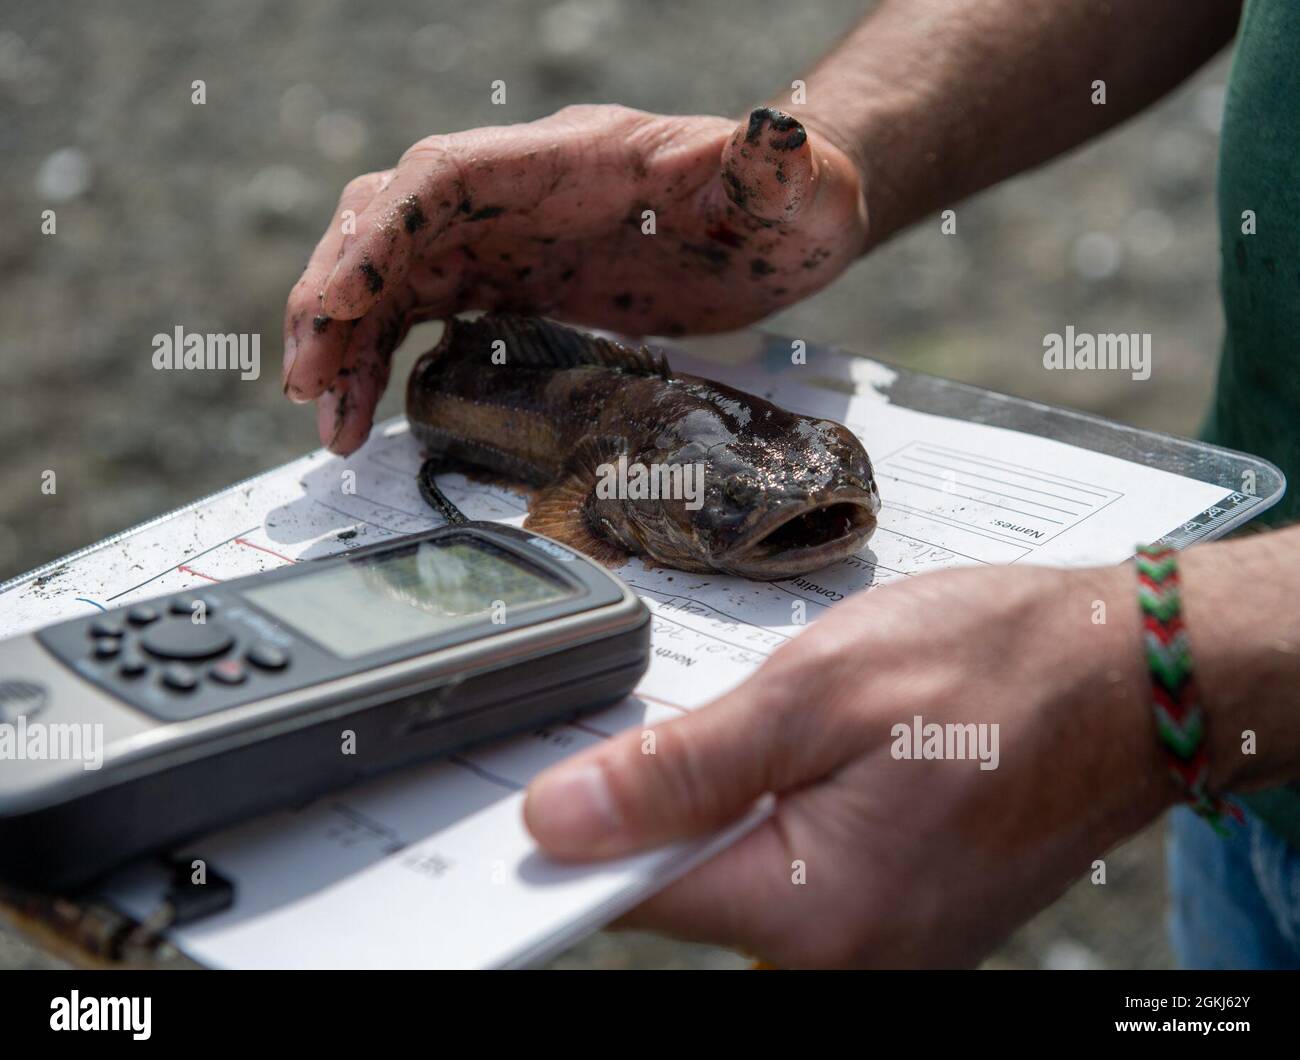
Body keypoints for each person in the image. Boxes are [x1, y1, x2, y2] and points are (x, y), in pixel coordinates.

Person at [281, 0, 1300, 967]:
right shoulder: (603, 448)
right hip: (1234, 794)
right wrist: (818, 161)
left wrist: (1168, 663)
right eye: (734, 499)